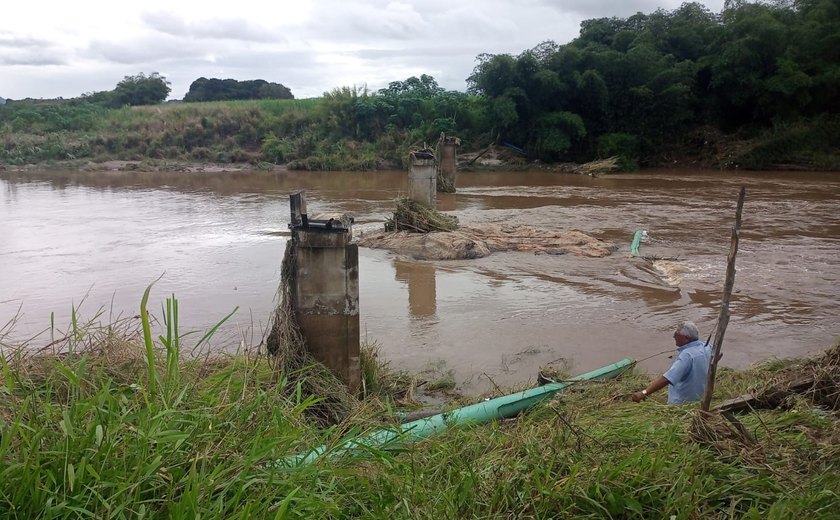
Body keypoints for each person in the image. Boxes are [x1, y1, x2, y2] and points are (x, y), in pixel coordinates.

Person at [632, 321, 712, 404]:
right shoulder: (707, 347)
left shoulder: (687, 355)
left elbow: (667, 378)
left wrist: (644, 392)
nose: (674, 336)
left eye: (677, 334)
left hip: (683, 403)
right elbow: (718, 356)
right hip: (700, 398)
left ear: (686, 338)